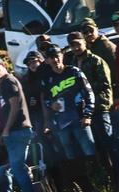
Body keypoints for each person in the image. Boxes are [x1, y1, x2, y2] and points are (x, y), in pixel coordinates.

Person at [67, 31, 119, 183]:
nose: (75, 48)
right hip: (84, 113)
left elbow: (105, 86)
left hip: (100, 109)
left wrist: (92, 100)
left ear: (84, 43)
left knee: (109, 143)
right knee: (98, 148)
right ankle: (108, 178)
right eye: (72, 45)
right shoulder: (71, 64)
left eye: (78, 44)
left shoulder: (96, 61)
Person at [0, 55, 40, 192]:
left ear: (3, 65)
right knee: (6, 170)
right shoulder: (3, 84)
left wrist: (6, 130)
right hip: (14, 132)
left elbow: (14, 106)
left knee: (17, 168)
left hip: (18, 130)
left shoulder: (9, 81)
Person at [42, 46, 96, 179]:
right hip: (62, 124)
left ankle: (99, 182)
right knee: (70, 157)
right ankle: (80, 185)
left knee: (90, 152)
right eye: (51, 58)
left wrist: (87, 114)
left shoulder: (74, 71)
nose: (55, 59)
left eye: (57, 56)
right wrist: (51, 105)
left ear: (62, 56)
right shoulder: (47, 79)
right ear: (47, 61)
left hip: (80, 119)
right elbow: (47, 101)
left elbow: (89, 93)